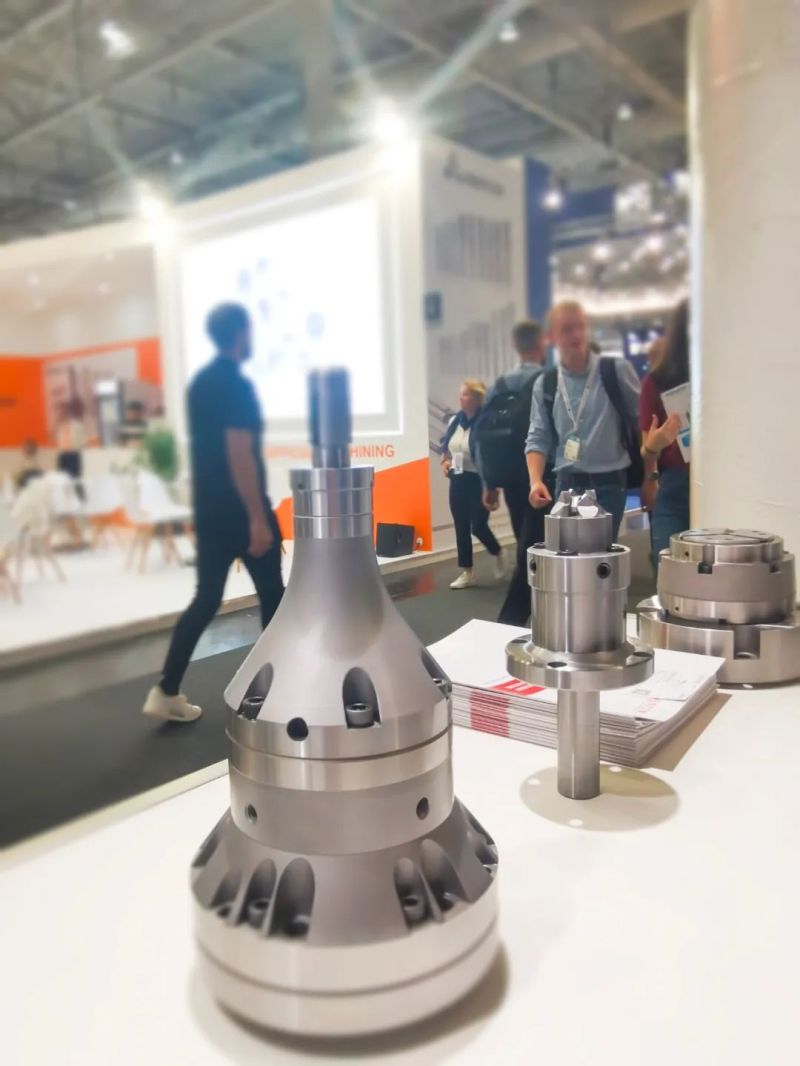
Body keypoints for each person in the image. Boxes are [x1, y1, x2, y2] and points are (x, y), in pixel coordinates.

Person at [143, 303, 284, 722]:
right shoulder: (236, 385)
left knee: (206, 599)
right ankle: (274, 688)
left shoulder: (202, 383)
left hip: (209, 510)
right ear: (240, 333)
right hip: (241, 513)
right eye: (250, 330)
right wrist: (256, 518)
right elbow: (239, 452)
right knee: (273, 596)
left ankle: (166, 690)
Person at [526, 301, 641, 540]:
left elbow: (643, 421)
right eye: (567, 329)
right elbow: (538, 436)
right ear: (551, 337)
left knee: (598, 556)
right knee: (566, 554)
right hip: (566, 483)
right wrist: (535, 481)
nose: (576, 335)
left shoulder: (615, 371)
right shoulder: (546, 384)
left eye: (580, 327)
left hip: (609, 483)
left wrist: (651, 476)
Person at [479, 320, 548, 540]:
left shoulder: (498, 386)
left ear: (516, 346)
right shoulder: (549, 380)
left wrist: (489, 484)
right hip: (544, 473)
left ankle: (525, 562)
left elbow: (482, 435)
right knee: (545, 538)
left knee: (522, 534)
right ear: (541, 343)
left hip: (509, 473)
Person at [440, 379, 505, 590]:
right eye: (461, 394)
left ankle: (497, 551)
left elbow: (494, 456)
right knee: (460, 526)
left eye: (466, 395)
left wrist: (494, 486)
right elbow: (446, 447)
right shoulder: (455, 421)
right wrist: (445, 462)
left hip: (480, 480)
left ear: (477, 399)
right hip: (458, 478)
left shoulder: (486, 422)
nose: (461, 398)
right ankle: (467, 572)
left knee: (477, 526)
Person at [640, 299, 690, 566]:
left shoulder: (729, 377)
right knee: (669, 572)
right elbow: (647, 446)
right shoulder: (658, 381)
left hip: (722, 482)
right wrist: (654, 447)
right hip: (676, 482)